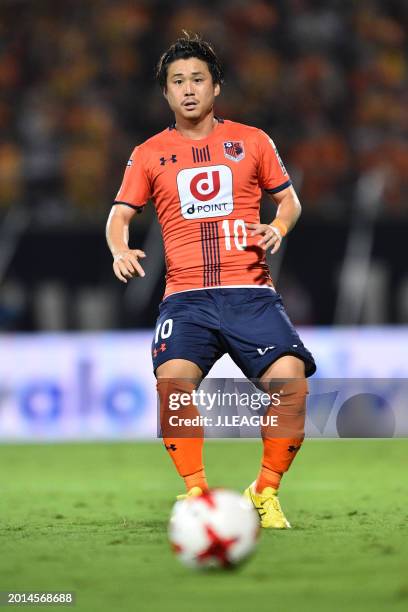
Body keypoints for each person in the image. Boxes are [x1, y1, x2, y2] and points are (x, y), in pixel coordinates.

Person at [106, 32, 316, 529]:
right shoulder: (150, 153)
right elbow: (119, 214)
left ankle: (264, 490)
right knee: (172, 382)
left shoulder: (253, 141)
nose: (188, 89)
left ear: (216, 87)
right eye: (177, 81)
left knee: (291, 383)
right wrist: (119, 247)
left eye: (198, 79)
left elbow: (290, 201)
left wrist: (277, 227)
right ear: (165, 93)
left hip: (251, 292)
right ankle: (196, 493)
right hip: (186, 298)